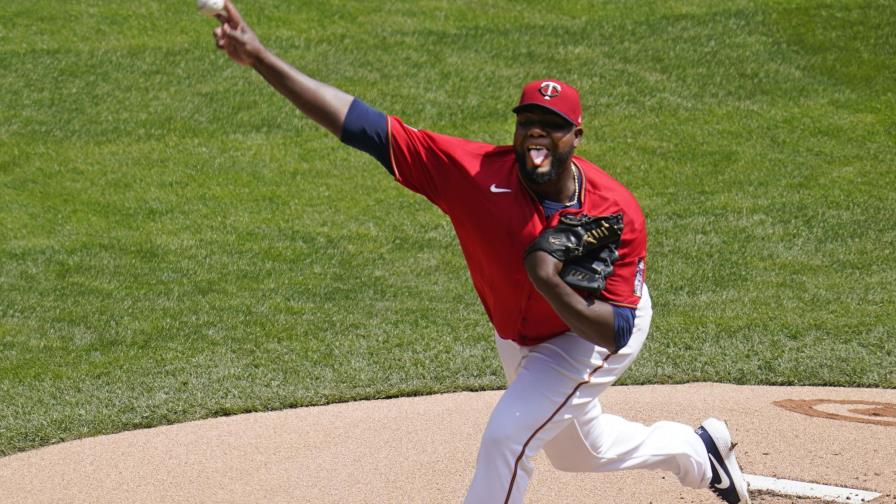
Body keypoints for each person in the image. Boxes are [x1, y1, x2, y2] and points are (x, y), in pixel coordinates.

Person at [211, 2, 751, 503]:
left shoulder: (615, 213)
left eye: (553, 126)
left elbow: (616, 330)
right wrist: (260, 58)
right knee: (578, 450)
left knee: (507, 438)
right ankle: (699, 453)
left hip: (590, 331)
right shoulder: (472, 174)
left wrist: (551, 282)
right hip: (519, 333)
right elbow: (363, 126)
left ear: (576, 136)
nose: (537, 132)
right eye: (527, 121)